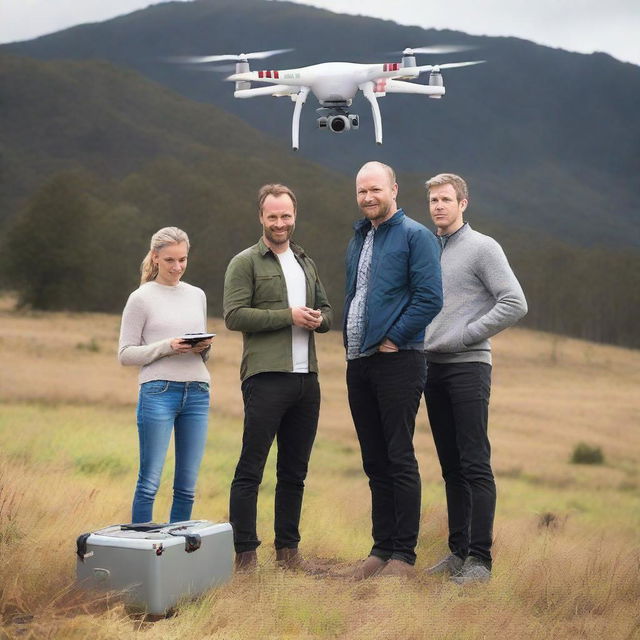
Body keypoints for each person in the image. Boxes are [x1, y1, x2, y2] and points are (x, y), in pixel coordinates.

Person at [423, 173, 527, 584]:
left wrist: (465, 334)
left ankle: (480, 561)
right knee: (450, 467)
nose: (439, 206)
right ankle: (457, 553)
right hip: (432, 368)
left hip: (468, 367)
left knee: (474, 464)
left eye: (446, 199)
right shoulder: (428, 249)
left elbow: (514, 302)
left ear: (463, 202)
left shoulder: (483, 247)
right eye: (433, 200)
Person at [223, 183, 332, 571]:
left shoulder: (306, 262)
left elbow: (326, 310)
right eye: (273, 216)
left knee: (294, 472)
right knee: (250, 468)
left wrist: (319, 319)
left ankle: (288, 554)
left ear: (294, 216)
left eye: (286, 216)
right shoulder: (245, 262)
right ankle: (245, 555)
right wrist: (288, 316)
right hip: (266, 377)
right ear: (261, 217)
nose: (281, 223)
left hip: (307, 380)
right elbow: (234, 316)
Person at [344, 161, 443, 579]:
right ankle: (380, 550)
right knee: (375, 460)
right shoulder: (359, 237)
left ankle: (403, 556)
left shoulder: (416, 236)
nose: (369, 197)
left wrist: (396, 337)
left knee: (399, 456)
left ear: (394, 190)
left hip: (398, 361)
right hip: (359, 362)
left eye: (376, 189)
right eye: (362, 190)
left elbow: (430, 298)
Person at [118, 227, 213, 524]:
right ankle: (141, 552)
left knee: (187, 488)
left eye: (183, 259)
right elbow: (125, 354)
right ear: (155, 257)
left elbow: (200, 351)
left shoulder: (197, 295)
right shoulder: (141, 298)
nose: (177, 267)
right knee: (149, 483)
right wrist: (166, 347)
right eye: (170, 260)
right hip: (158, 392)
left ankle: (178, 556)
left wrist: (203, 348)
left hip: (197, 392)